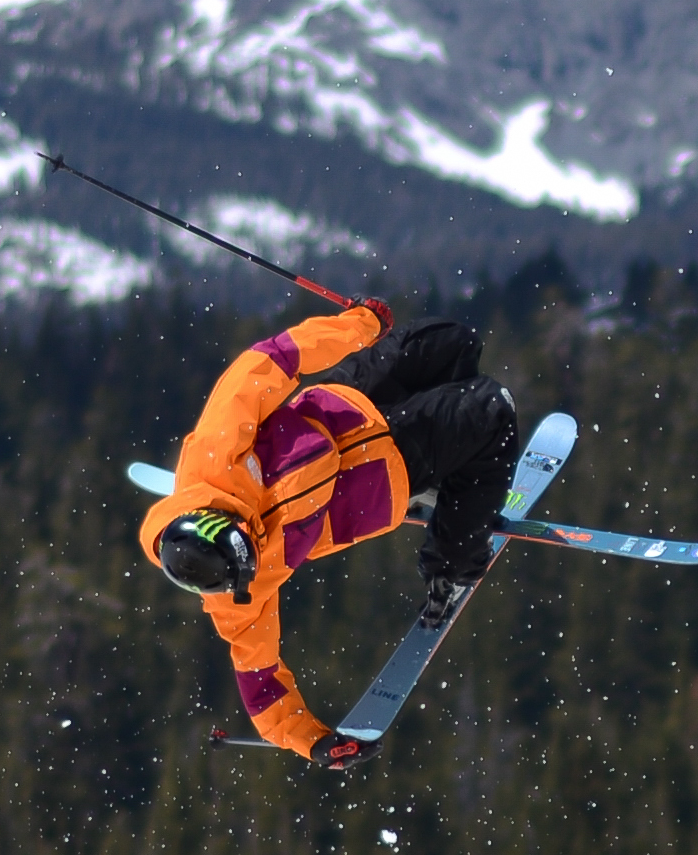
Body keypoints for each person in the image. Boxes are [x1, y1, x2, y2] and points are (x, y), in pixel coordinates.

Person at [142, 300, 529, 759]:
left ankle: (454, 474)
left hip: (344, 405)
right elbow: (261, 686)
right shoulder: (239, 596)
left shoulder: (216, 451)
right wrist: (315, 742)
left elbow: (273, 358)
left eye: (250, 542)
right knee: (491, 409)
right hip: (383, 473)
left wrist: (360, 324)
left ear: (221, 521)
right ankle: (455, 561)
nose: (261, 553)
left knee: (452, 340)